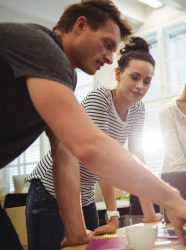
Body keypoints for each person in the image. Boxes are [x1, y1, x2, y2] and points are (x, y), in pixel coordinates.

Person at [0, 1, 186, 249]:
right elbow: (90, 147)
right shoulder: (42, 46)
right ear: (81, 25)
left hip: (80, 195)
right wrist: (174, 199)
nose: (109, 58)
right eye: (107, 44)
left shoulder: (66, 75)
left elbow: (64, 150)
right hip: (46, 193)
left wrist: (76, 231)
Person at [26, 37, 162, 250]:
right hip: (50, 192)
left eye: (147, 81)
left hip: (85, 196)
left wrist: (150, 214)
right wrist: (114, 215)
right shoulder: (100, 99)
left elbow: (138, 158)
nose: (140, 86)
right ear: (118, 74)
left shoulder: (138, 110)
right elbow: (100, 159)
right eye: (135, 77)